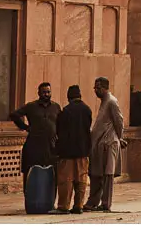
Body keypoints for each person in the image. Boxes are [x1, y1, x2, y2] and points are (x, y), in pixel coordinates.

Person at [87, 76, 127, 212]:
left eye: (98, 88)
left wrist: (120, 138)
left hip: (110, 142)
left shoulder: (111, 101)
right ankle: (93, 202)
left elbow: (119, 121)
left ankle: (105, 203)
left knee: (108, 174)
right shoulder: (104, 101)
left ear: (105, 88)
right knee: (97, 173)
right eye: (95, 88)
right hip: (100, 143)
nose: (96, 91)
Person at [54, 85, 93, 214]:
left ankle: (64, 206)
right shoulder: (87, 110)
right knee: (81, 180)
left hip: (67, 152)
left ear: (68, 97)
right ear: (80, 95)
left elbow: (60, 131)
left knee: (66, 180)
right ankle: (79, 206)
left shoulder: (66, 111)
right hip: (83, 151)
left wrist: (58, 149)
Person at [11, 83, 61, 178]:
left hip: (50, 147)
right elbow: (14, 115)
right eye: (44, 92)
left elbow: (60, 123)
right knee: (31, 174)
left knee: (51, 175)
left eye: (48, 92)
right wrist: (25, 127)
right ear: (39, 93)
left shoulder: (56, 107)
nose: (46, 94)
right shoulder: (31, 106)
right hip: (34, 145)